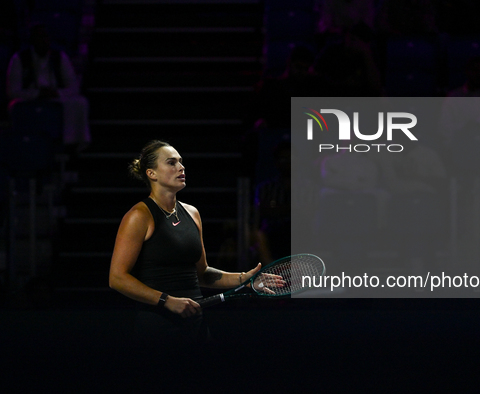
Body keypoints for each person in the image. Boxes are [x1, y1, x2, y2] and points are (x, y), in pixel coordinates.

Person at [109, 140, 279, 348]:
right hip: (157, 328)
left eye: (181, 162)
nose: (181, 167)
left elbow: (202, 274)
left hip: (196, 327)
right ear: (151, 173)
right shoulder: (139, 215)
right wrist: (166, 300)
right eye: (171, 162)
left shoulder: (192, 213)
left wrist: (245, 279)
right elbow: (117, 278)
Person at [6, 23, 91, 151]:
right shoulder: (19, 59)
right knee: (14, 105)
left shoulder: (60, 57)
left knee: (80, 103)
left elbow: (73, 87)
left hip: (56, 96)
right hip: (29, 98)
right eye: (38, 37)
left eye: (44, 37)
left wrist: (56, 93)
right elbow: (12, 91)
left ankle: (71, 144)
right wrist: (36, 94)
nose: (42, 41)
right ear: (32, 40)